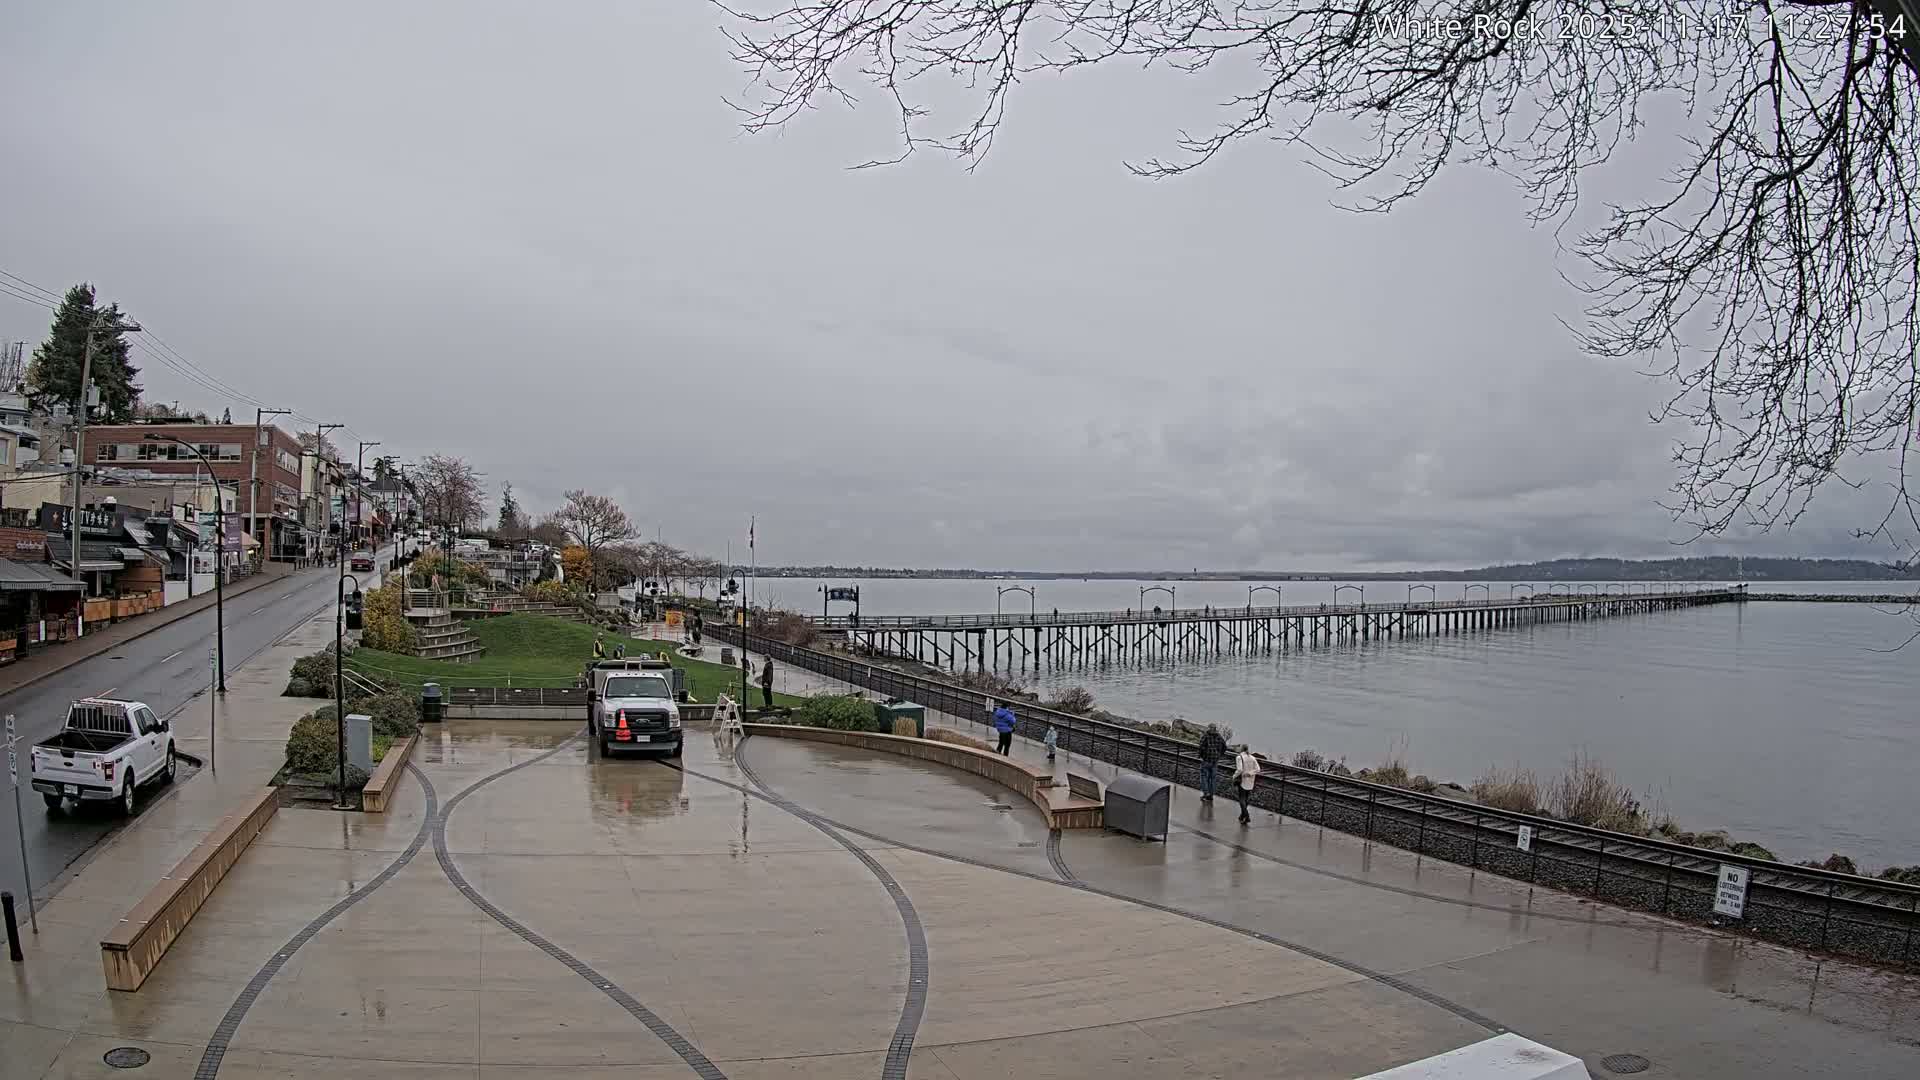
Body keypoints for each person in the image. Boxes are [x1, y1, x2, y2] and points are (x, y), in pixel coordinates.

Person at [1197, 723, 1229, 802]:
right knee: (1213, 778)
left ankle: (1206, 794)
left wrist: (1201, 755)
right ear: (1215, 729)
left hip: (1206, 760)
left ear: (1209, 728)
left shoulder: (1206, 736)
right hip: (1215, 761)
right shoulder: (1219, 736)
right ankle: (1211, 795)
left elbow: (1201, 746)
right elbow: (1225, 746)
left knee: (1204, 776)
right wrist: (1219, 754)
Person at [1232, 744, 1262, 824]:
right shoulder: (1252, 758)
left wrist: (1234, 776)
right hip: (1251, 780)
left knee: (1241, 798)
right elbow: (1258, 769)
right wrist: (1250, 773)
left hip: (1242, 780)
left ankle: (1247, 816)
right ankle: (1242, 816)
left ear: (1241, 749)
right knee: (1246, 798)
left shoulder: (1239, 757)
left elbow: (1240, 770)